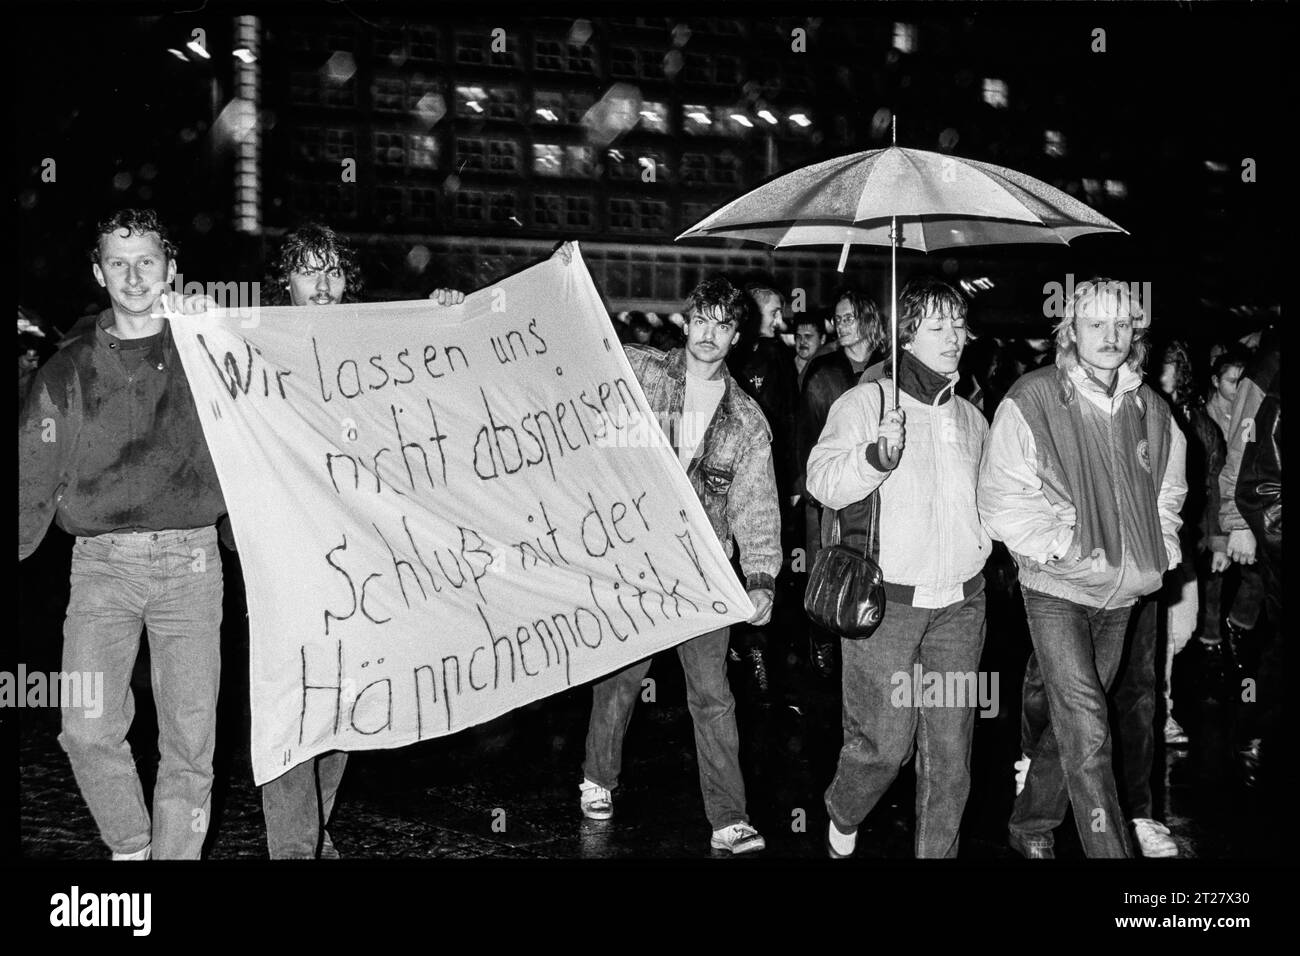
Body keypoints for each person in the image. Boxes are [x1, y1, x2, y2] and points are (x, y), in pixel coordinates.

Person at [19, 209, 228, 860]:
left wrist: (438, 313)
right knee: (85, 728)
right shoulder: (69, 369)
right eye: (118, 261)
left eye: (147, 261)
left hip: (191, 564)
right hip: (102, 567)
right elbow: (28, 470)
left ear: (171, 268)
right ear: (98, 271)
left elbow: (310, 355)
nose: (134, 276)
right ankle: (133, 849)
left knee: (190, 743)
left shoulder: (212, 350)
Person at [253, 222, 462, 859]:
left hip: (359, 556)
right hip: (285, 552)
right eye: (308, 271)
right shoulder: (254, 343)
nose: (322, 286)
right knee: (293, 700)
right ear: (283, 281)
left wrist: (449, 321)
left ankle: (314, 832)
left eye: (333, 272)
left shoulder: (373, 343)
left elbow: (434, 393)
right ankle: (294, 848)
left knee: (346, 699)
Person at [577, 261, 781, 855]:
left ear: (736, 336)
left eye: (722, 325)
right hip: (639, 560)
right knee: (619, 679)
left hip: (703, 573)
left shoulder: (746, 422)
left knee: (713, 695)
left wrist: (763, 578)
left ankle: (728, 818)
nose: (708, 334)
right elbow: (588, 350)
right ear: (686, 322)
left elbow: (758, 509)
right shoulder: (643, 371)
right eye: (701, 321)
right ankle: (597, 778)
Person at [980, 278, 1186, 859]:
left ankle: (1028, 826)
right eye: (1096, 324)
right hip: (1056, 586)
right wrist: (1059, 546)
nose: (1110, 336)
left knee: (1067, 727)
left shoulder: (1153, 408)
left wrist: (1162, 548)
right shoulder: (1034, 395)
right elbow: (1000, 497)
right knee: (1089, 722)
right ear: (1070, 332)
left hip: (1123, 593)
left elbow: (1169, 493)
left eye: (1122, 325)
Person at [807, 278, 990, 858]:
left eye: (958, 325)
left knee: (950, 756)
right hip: (885, 605)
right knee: (885, 747)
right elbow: (821, 481)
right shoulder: (866, 404)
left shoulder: (971, 418)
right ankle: (844, 807)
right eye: (937, 327)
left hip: (961, 605)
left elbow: (993, 503)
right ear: (906, 335)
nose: (953, 337)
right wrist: (875, 457)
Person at [795, 289, 885, 676]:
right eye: (839, 319)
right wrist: (807, 487)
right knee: (825, 563)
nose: (842, 325)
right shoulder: (824, 370)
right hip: (828, 491)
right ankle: (823, 643)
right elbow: (805, 433)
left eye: (849, 317)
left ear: (867, 318)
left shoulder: (890, 368)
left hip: (875, 491)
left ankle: (863, 632)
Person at [1218, 328, 1280, 786]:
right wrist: (1237, 522)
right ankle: (1254, 725)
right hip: (1266, 521)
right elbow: (1243, 443)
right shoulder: (1272, 363)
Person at [792, 314, 832, 390]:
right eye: (798, 336)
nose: (802, 341)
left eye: (808, 336)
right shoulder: (784, 367)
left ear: (822, 339)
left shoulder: (831, 367)